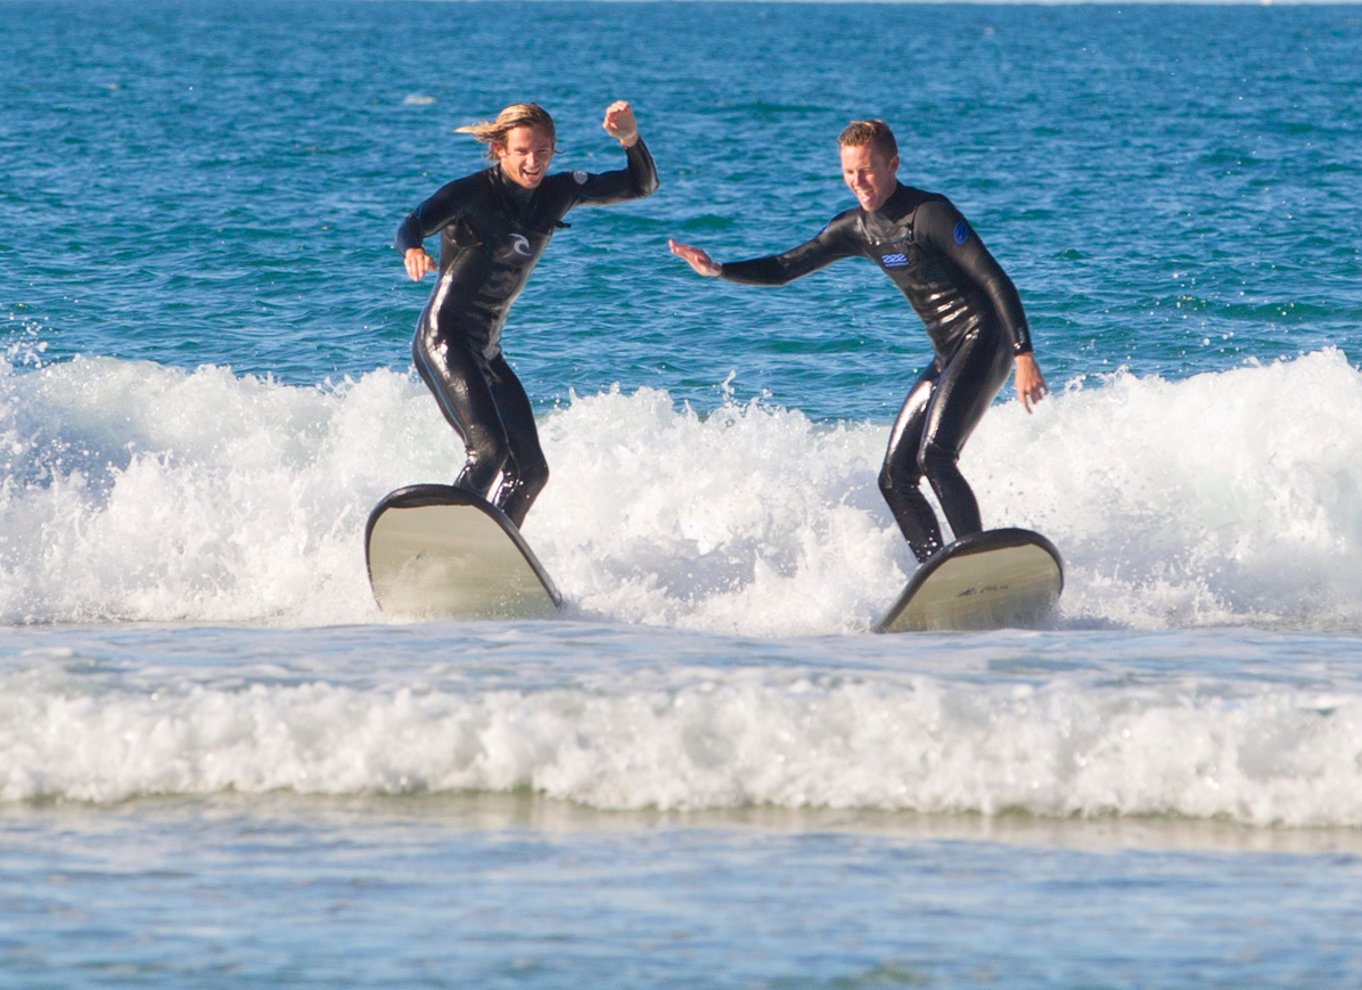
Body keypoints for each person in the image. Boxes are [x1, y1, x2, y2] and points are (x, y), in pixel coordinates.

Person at [669, 118, 1046, 564]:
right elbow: (786, 266)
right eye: (849, 173)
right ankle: (937, 570)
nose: (857, 182)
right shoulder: (856, 229)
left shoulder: (930, 214)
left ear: (892, 165)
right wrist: (719, 269)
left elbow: (995, 278)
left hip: (986, 338)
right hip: (947, 352)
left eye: (866, 170)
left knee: (936, 455)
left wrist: (1024, 354)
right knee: (894, 478)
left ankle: (977, 561)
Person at [396, 101, 658, 528]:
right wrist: (412, 249)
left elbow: (641, 185)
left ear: (553, 150)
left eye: (542, 151)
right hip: (444, 338)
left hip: (486, 350)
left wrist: (630, 139)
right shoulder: (471, 193)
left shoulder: (558, 193)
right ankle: (443, 542)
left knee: (532, 472)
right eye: (522, 151)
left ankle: (489, 552)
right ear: (500, 149)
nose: (533, 161)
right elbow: (413, 221)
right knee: (489, 451)